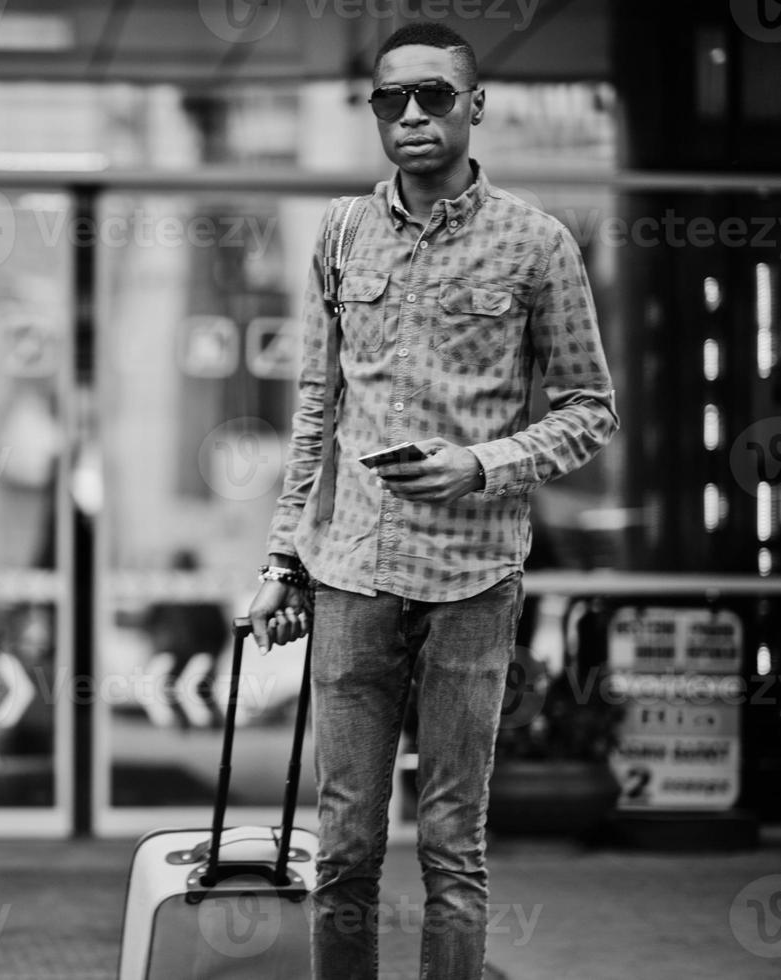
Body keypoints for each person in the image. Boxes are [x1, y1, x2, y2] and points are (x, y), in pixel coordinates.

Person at [246, 23, 618, 980]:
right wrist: (281, 561)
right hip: (351, 575)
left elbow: (589, 411)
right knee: (344, 849)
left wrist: (482, 463)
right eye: (389, 100)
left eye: (434, 97)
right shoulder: (338, 232)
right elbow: (316, 413)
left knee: (452, 848)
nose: (410, 116)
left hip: (471, 579)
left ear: (474, 106)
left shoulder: (537, 244)